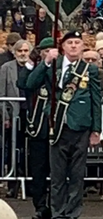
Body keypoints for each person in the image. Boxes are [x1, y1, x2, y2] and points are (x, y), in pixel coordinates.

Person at [26, 31, 102, 219]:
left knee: (77, 174)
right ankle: (57, 211)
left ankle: (72, 212)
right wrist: (46, 63)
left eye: (77, 42)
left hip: (80, 126)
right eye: (70, 43)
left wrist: (96, 130)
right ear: (63, 47)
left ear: (83, 46)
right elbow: (30, 83)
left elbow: (96, 100)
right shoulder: (54, 66)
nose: (74, 46)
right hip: (57, 125)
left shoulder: (88, 69)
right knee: (57, 175)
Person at [18, 38, 53, 219]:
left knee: (56, 170)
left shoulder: (58, 69)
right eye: (44, 51)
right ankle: (40, 206)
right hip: (38, 128)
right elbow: (22, 83)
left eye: (50, 50)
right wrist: (31, 63)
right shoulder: (35, 70)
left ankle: (55, 205)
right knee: (38, 170)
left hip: (56, 129)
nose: (48, 54)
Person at [0, 39, 32, 199]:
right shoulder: (6, 68)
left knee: (30, 150)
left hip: (31, 115)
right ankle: (13, 185)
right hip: (13, 115)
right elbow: (2, 93)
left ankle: (30, 183)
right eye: (20, 51)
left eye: (26, 51)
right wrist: (6, 117)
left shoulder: (34, 67)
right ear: (14, 52)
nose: (23, 54)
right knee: (13, 149)